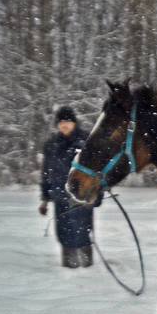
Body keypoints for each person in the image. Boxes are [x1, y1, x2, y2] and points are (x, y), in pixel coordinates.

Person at [39, 106, 99, 268]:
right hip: (60, 197)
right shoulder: (51, 145)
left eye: (68, 122)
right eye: (61, 122)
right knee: (64, 235)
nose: (65, 125)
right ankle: (69, 267)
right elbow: (46, 173)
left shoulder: (86, 141)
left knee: (83, 234)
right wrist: (45, 199)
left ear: (74, 123)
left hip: (81, 198)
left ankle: (88, 268)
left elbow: (96, 171)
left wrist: (96, 196)